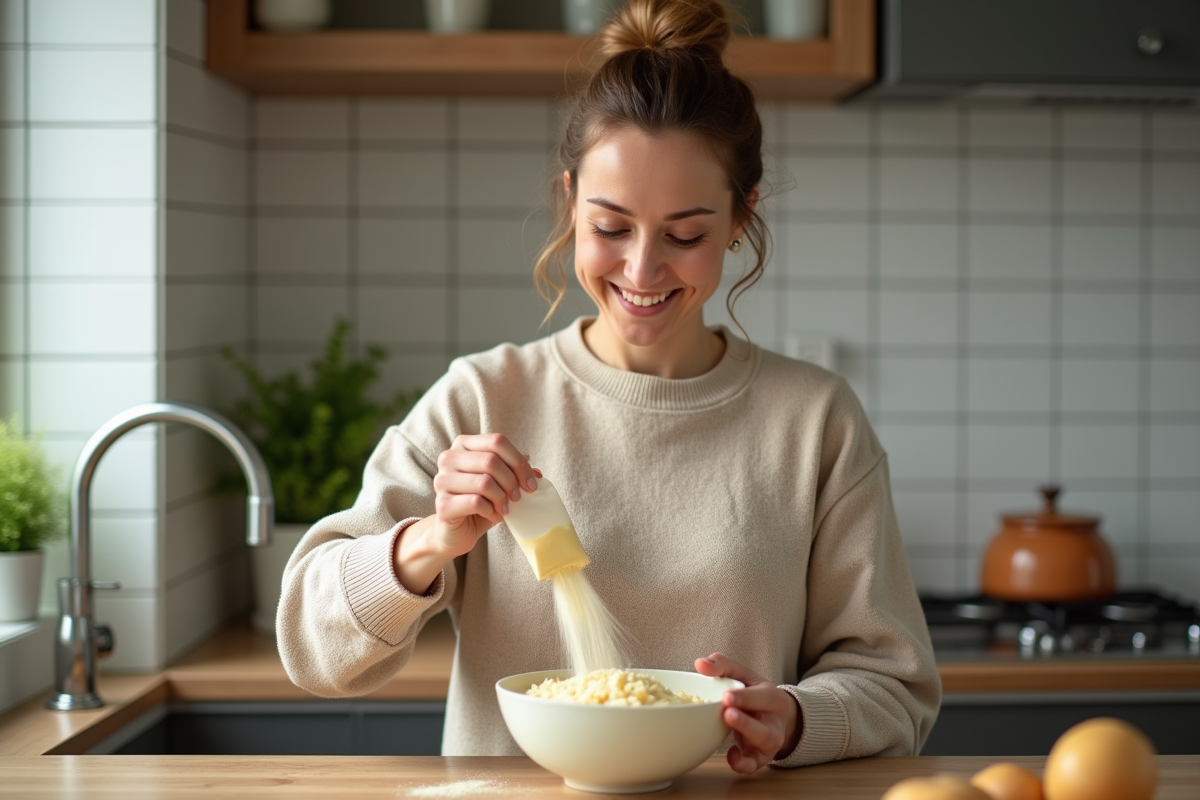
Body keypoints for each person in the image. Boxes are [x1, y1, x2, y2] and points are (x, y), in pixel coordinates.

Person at [278, 0, 941, 773]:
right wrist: (428, 541)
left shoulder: (814, 422)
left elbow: (896, 689)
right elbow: (309, 648)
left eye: (686, 235)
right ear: (570, 200)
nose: (641, 271)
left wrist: (796, 719)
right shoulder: (482, 399)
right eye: (611, 227)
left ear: (739, 217)